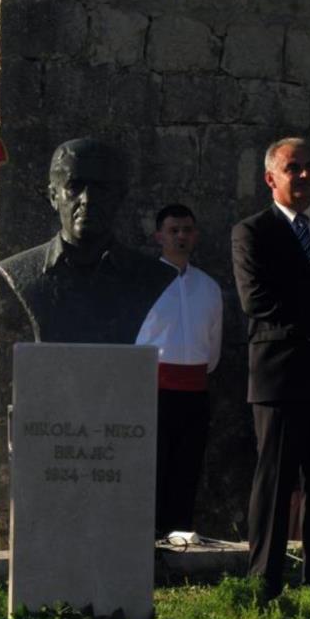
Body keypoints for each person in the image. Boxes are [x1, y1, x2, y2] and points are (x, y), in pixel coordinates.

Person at [231, 136, 310, 598]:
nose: (304, 176)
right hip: (280, 373)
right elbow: (257, 299)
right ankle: (264, 581)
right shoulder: (253, 232)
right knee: (276, 479)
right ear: (271, 179)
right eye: (293, 168)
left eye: (309, 167)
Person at [0, 137, 177, 344]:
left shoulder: (151, 276)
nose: (87, 200)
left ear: (119, 196)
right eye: (74, 187)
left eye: (101, 189)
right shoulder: (21, 272)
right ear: (54, 196)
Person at [135, 205, 222, 536]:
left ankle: (180, 534)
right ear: (160, 236)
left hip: (195, 390)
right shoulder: (143, 283)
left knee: (188, 468)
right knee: (153, 467)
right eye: (174, 230)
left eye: (187, 230)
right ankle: (149, 539)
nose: (181, 236)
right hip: (153, 390)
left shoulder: (209, 287)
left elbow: (212, 345)